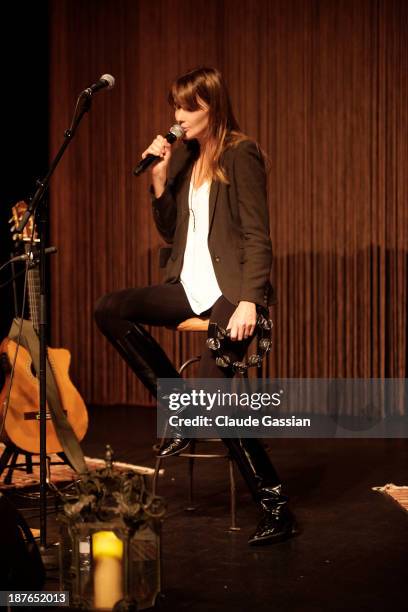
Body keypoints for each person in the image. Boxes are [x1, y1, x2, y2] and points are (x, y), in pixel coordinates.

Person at [95, 67, 295, 545]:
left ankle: (275, 506)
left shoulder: (240, 152)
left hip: (231, 293)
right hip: (188, 285)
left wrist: (250, 300)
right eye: (176, 108)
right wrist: (160, 177)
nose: (178, 118)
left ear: (213, 107)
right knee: (109, 308)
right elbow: (172, 233)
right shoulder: (185, 158)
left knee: (215, 398)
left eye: (188, 108)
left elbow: (256, 234)